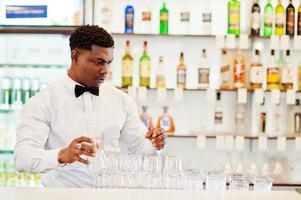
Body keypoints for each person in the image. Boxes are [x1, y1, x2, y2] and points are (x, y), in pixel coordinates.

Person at [13, 25, 166, 187]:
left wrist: (156, 142)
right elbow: (22, 158)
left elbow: (141, 149)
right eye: (99, 62)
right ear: (75, 56)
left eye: (109, 63)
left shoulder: (121, 100)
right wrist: (62, 155)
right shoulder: (43, 102)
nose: (105, 70)